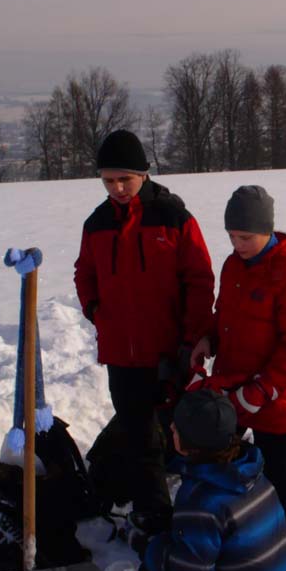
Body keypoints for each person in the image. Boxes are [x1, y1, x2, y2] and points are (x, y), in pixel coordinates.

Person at [73, 129, 215, 530]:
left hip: (169, 348)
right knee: (138, 434)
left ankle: (208, 507)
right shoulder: (97, 223)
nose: (117, 188)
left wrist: (192, 337)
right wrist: (96, 310)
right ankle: (153, 514)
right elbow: (85, 272)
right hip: (121, 351)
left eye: (125, 179)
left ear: (144, 174)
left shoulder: (173, 217)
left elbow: (199, 279)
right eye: (108, 181)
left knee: (181, 429)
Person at [190, 185, 286, 535]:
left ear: (266, 229)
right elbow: (225, 313)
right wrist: (209, 338)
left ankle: (278, 538)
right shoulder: (233, 265)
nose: (238, 244)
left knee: (273, 469)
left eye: (246, 237)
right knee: (224, 463)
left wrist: (262, 390)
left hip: (273, 396)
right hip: (230, 387)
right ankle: (235, 532)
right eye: (232, 236)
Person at [141, 388, 286, 571]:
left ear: (191, 443)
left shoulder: (201, 499)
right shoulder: (249, 470)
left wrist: (150, 548)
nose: (170, 427)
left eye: (177, 428)